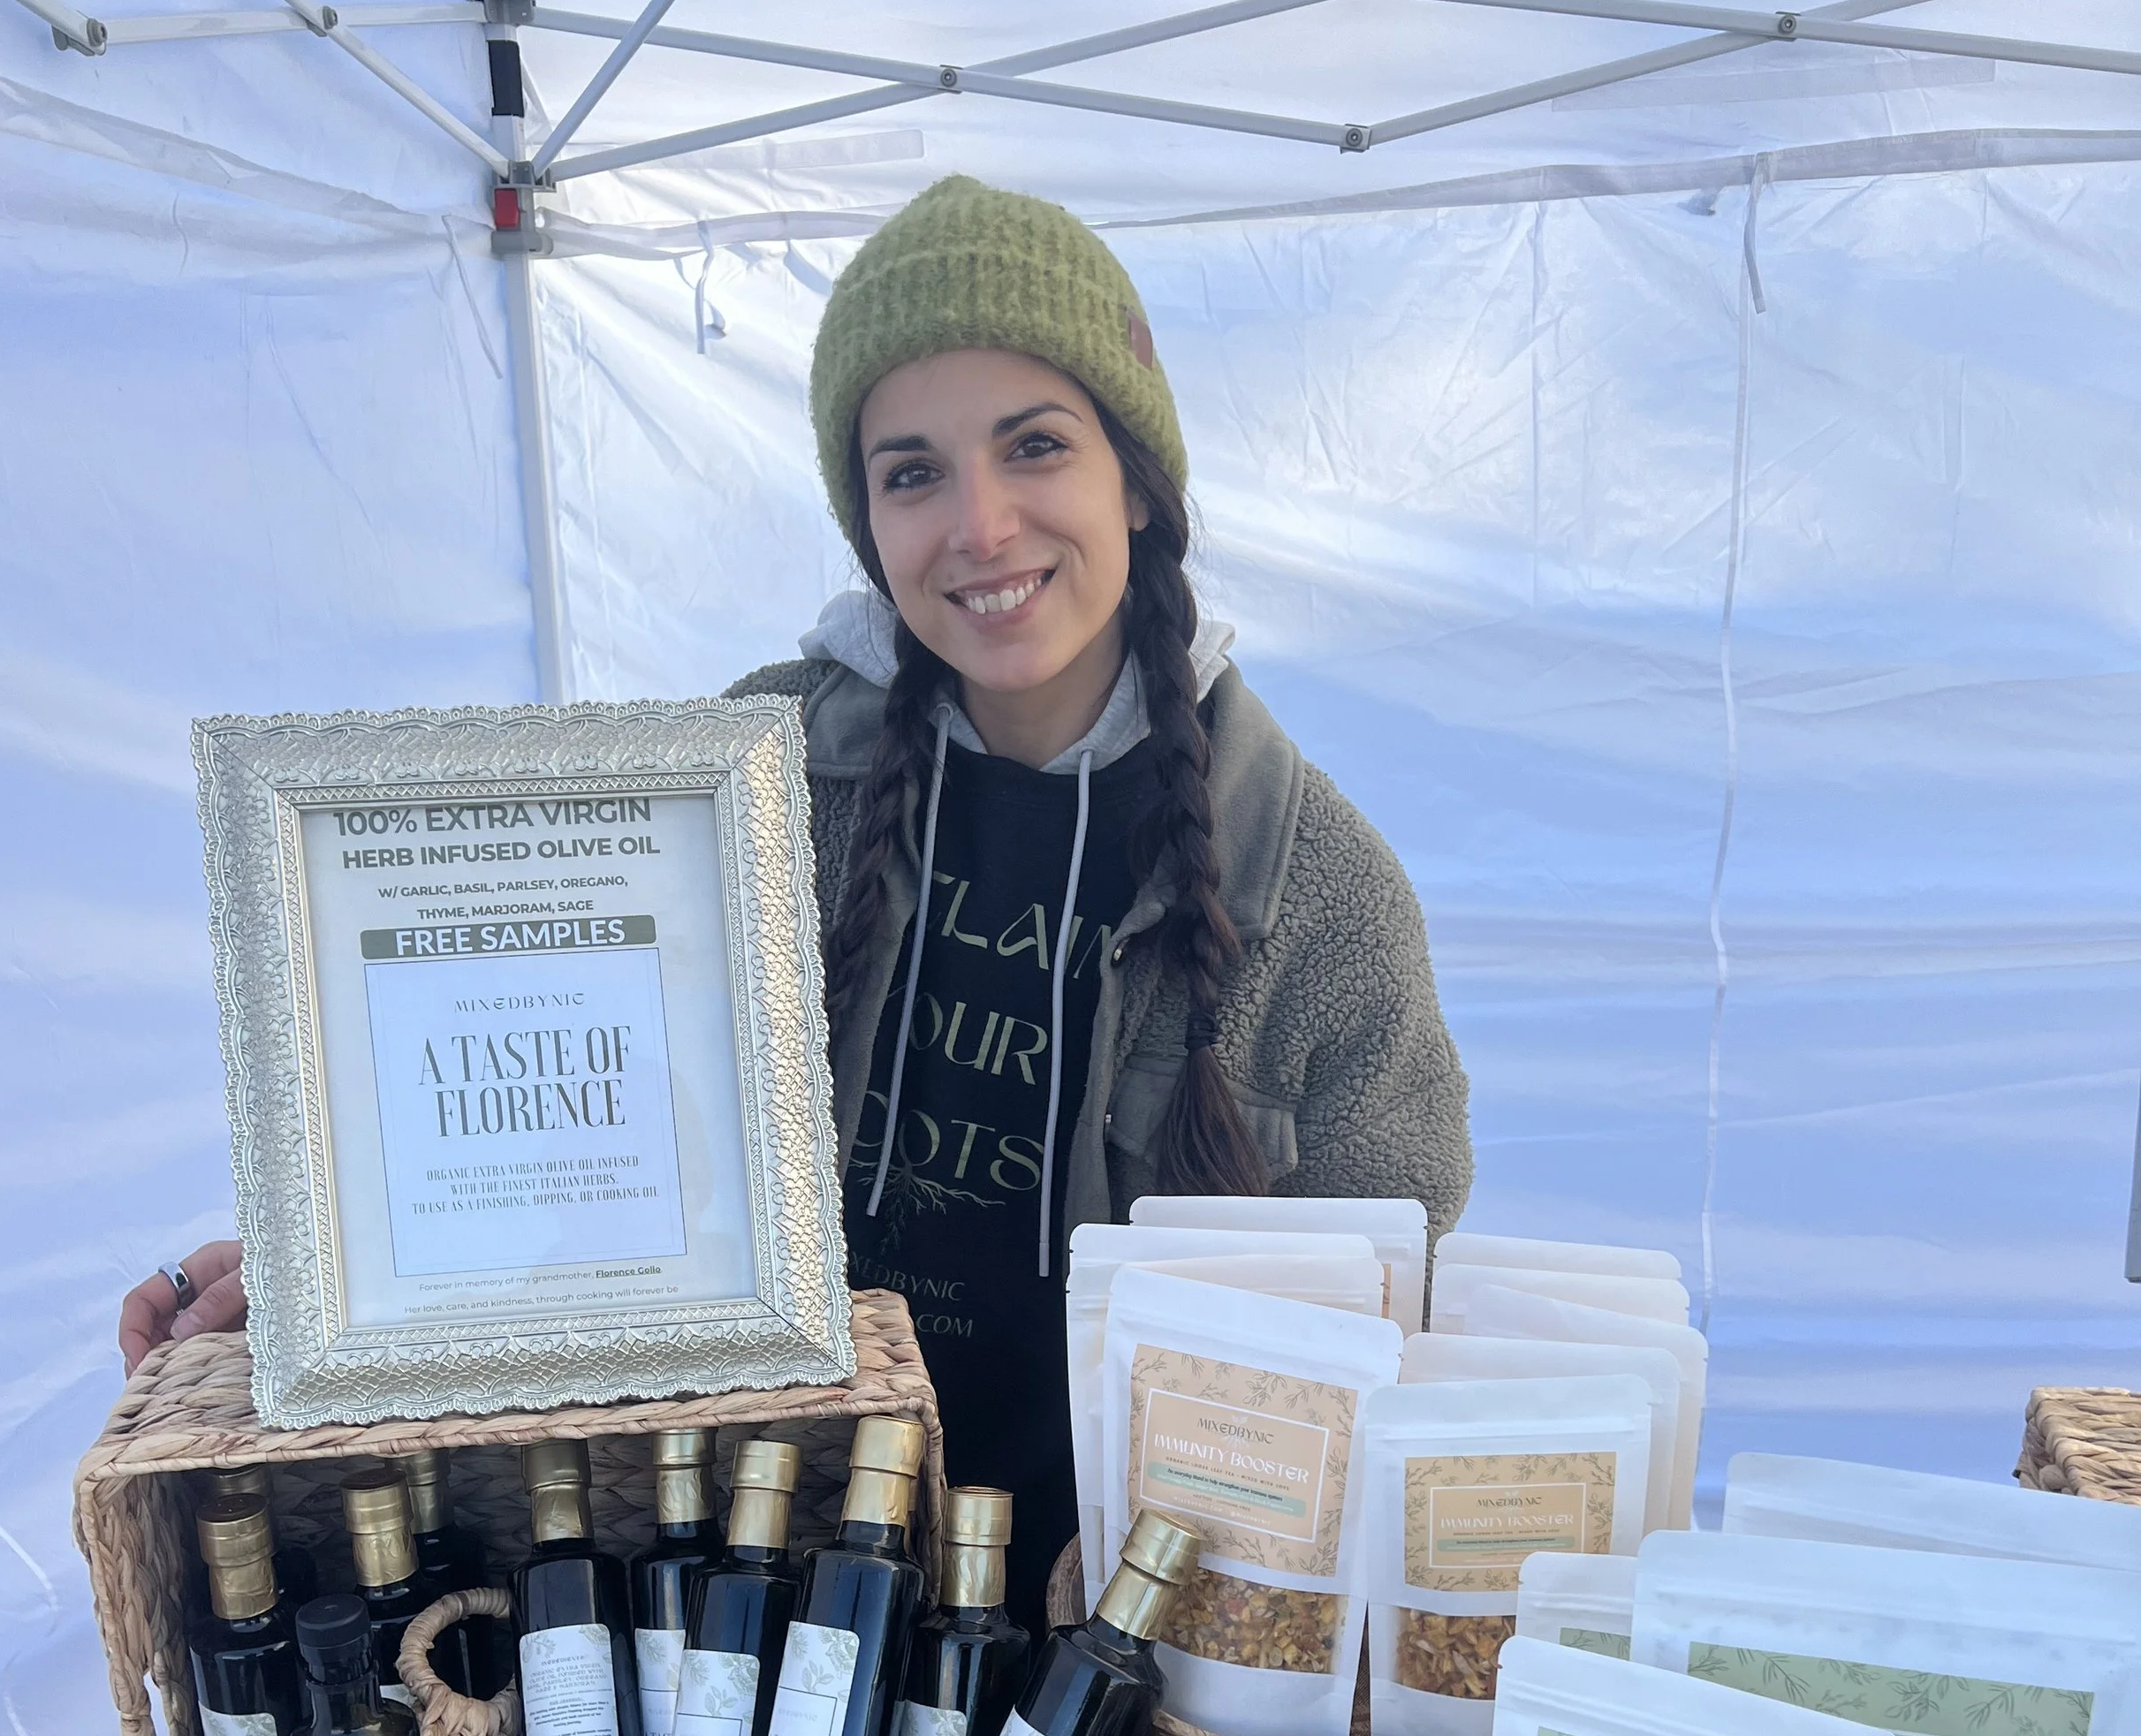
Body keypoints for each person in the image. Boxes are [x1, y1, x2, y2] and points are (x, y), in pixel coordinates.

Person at [122, 177, 1471, 1636]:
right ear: (867, 520)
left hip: (1124, 1638)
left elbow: (1393, 1295)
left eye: (1036, 446)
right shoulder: (740, 782)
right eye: (913, 473)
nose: (981, 523)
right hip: (758, 1578)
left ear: (1137, 481)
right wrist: (336, 1266)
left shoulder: (1314, 885)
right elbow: (553, 1104)